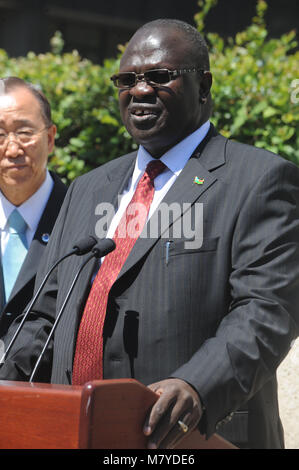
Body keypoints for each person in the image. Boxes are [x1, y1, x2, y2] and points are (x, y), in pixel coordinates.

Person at [1, 19, 299, 450]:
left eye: (160, 76)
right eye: (127, 79)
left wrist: (196, 386)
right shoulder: (88, 188)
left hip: (191, 438)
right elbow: (47, 312)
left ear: (203, 85)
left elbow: (267, 310)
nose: (140, 91)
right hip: (76, 432)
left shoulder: (259, 179)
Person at [0, 77, 67, 336]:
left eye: (25, 133)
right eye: (1, 135)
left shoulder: (83, 216)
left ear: (50, 138)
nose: (13, 149)